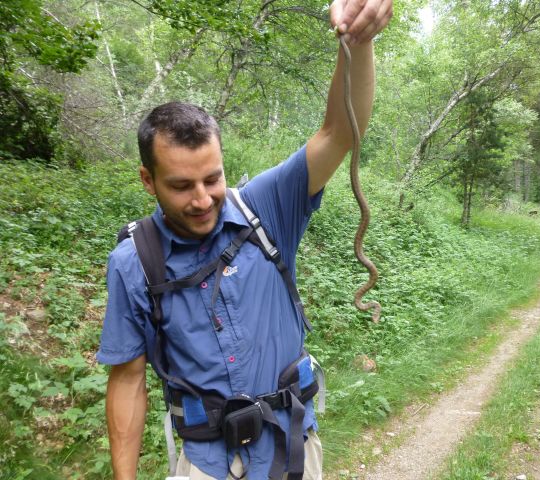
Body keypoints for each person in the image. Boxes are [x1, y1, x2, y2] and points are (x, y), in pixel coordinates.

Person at [97, 1, 392, 478]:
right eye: (180, 185)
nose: (202, 199)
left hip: (289, 450)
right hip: (205, 463)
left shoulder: (266, 207)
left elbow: (339, 133)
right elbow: (128, 381)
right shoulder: (134, 262)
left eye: (212, 179)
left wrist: (358, 42)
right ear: (148, 181)